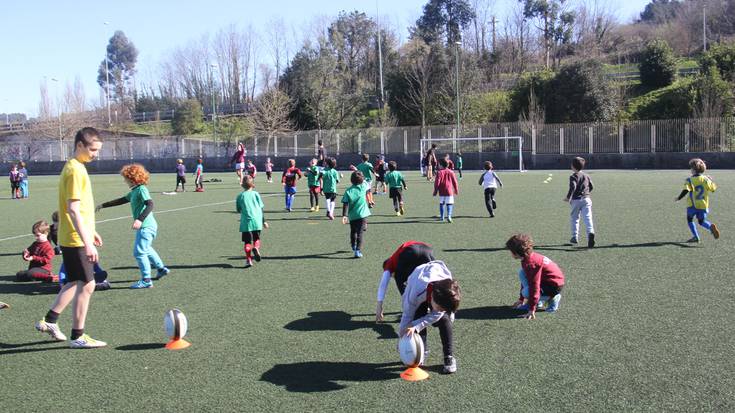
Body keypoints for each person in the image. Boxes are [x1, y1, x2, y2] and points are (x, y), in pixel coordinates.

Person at [35, 127, 106, 348]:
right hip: (75, 239)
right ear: (80, 146)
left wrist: (91, 230)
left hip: (73, 236)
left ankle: (49, 321)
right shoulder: (75, 170)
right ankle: (78, 336)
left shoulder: (75, 167)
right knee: (88, 285)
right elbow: (73, 209)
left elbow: (80, 209)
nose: (96, 154)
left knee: (76, 282)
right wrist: (87, 243)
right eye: (93, 149)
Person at [96, 163, 170, 289]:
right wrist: (103, 205)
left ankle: (146, 280)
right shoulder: (134, 191)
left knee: (139, 252)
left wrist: (140, 220)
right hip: (147, 226)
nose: (125, 181)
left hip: (146, 226)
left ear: (132, 178)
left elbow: (150, 204)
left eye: (126, 178)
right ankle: (161, 269)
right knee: (146, 249)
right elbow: (121, 200)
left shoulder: (142, 189)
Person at [399, 260, 461, 374]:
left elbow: (439, 313)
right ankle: (422, 351)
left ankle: (449, 356)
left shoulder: (448, 288)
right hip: (417, 283)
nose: (441, 311)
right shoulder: (415, 292)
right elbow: (407, 315)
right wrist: (402, 338)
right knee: (417, 315)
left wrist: (417, 326)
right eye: (440, 308)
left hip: (436, 283)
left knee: (444, 319)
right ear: (432, 297)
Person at [506, 233, 565, 319]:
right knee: (522, 273)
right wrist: (521, 299)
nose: (510, 253)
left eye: (510, 251)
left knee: (526, 292)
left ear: (516, 253)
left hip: (554, 286)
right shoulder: (527, 258)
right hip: (546, 281)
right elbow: (528, 280)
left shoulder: (532, 264)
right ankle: (537, 301)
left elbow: (534, 285)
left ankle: (553, 297)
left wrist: (531, 309)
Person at [376, 241, 434, 322]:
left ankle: (411, 312)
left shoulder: (389, 263)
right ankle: (435, 307)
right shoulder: (402, 262)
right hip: (427, 250)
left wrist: (379, 306)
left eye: (391, 275)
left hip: (409, 251)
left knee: (404, 289)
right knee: (431, 280)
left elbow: (383, 283)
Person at [51, 211, 110, 290]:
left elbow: (86, 230)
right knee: (69, 268)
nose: (56, 228)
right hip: (73, 254)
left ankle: (99, 281)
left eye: (59, 226)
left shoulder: (75, 229)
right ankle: (73, 282)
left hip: (81, 250)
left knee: (92, 263)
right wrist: (62, 283)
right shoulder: (59, 232)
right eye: (56, 226)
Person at [675, 158, 720, 243]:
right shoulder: (706, 179)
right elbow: (713, 189)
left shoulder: (689, 180)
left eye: (691, 168)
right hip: (703, 205)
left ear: (694, 170)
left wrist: (679, 198)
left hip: (692, 205)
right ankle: (710, 227)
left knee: (690, 219)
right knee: (701, 221)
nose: (690, 170)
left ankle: (696, 237)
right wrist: (710, 180)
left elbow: (686, 190)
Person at [236, 175, 269, 268]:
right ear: (252, 185)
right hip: (257, 221)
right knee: (256, 239)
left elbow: (238, 210)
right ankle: (256, 247)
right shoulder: (256, 194)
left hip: (246, 222)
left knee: (247, 242)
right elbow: (261, 208)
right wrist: (264, 221)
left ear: (242, 184)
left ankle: (249, 260)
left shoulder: (240, 196)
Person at [564, 157, 595, 248]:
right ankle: (590, 233)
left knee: (575, 218)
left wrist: (568, 197)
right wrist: (587, 193)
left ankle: (574, 236)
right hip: (587, 199)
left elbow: (573, 187)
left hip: (576, 200)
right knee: (588, 218)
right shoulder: (586, 175)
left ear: (573, 166)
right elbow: (592, 186)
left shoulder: (573, 176)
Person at [341, 171, 371, 258]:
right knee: (360, 233)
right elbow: (366, 182)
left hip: (352, 215)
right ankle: (358, 250)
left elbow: (345, 204)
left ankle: (353, 246)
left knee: (353, 231)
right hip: (362, 215)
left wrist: (344, 215)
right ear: (362, 180)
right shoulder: (363, 186)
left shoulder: (348, 191)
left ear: (351, 180)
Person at [433, 158, 459, 223]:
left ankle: (442, 217)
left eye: (438, 164)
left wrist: (435, 191)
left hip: (442, 191)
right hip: (449, 191)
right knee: (449, 203)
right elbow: (455, 182)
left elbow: (437, 183)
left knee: (442, 203)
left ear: (441, 165)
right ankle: (449, 216)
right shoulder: (451, 172)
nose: (438, 166)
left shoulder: (439, 172)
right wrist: (456, 189)